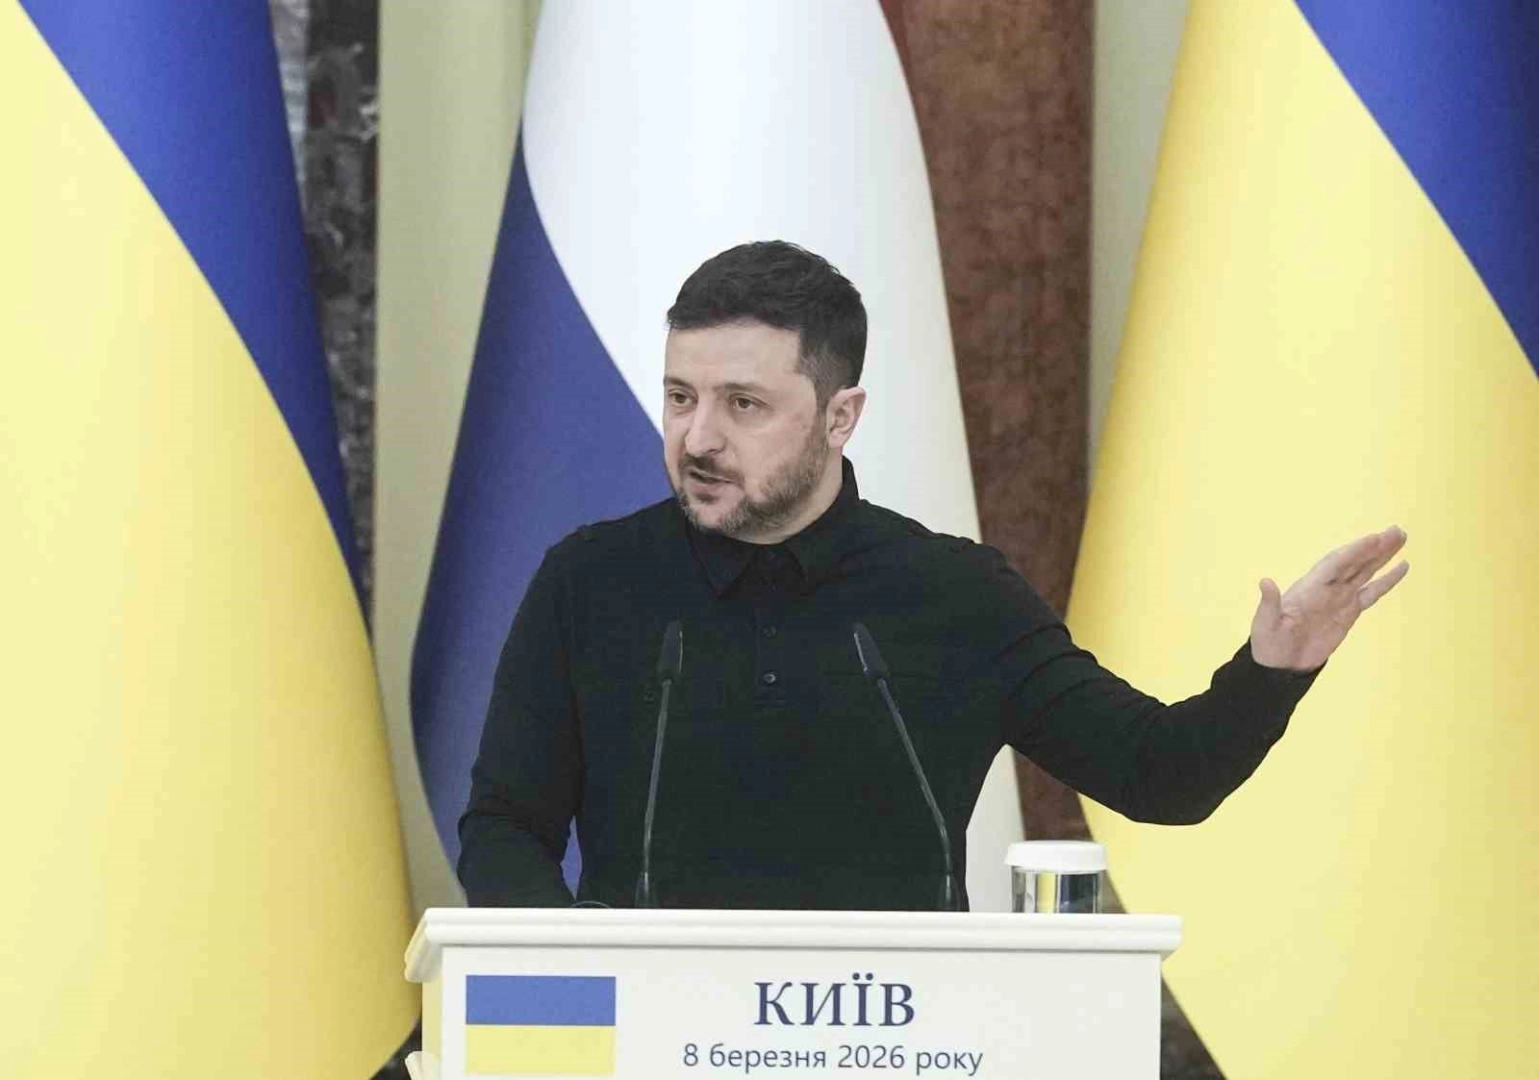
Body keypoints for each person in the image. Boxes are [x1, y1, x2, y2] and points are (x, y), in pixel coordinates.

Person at [457, 241, 1408, 911]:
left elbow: (1162, 777)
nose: (696, 437)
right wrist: (569, 972)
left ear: (840, 417)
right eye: (679, 397)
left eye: (742, 404)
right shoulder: (589, 581)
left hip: (902, 1039)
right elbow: (504, 830)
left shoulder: (954, 594)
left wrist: (1270, 673)